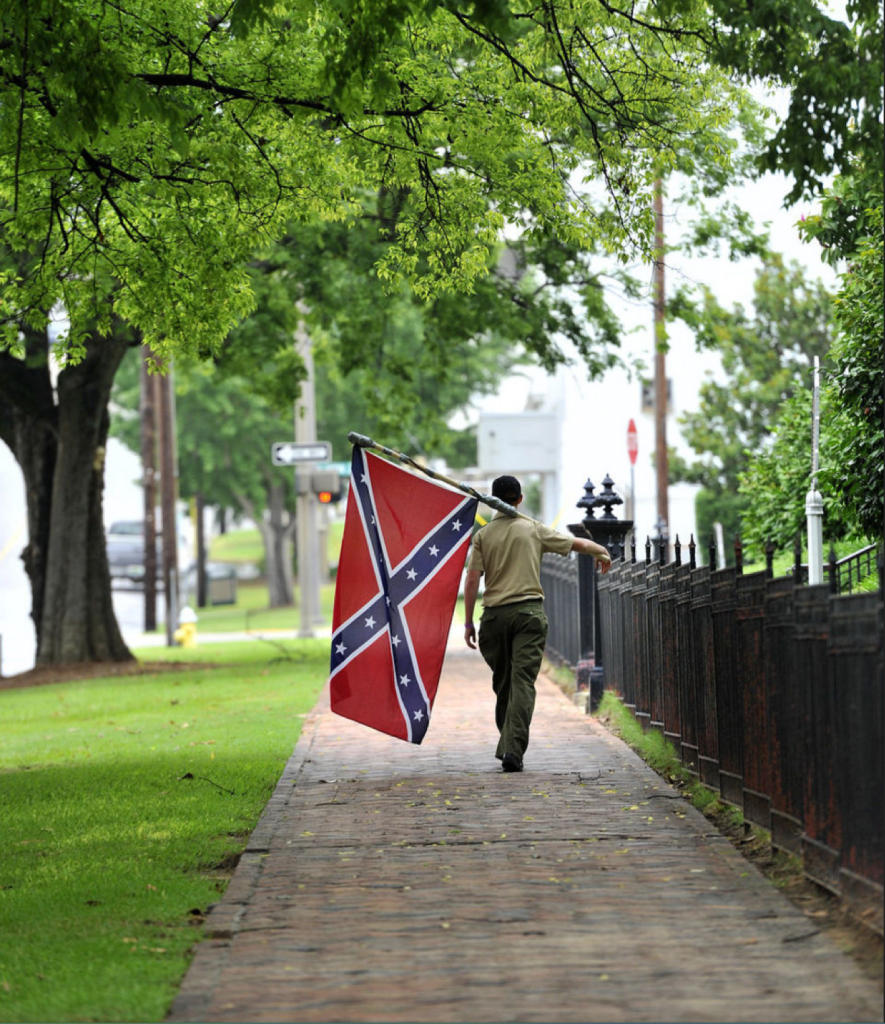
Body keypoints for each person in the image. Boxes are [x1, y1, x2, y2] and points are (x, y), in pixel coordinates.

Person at [463, 474, 612, 773]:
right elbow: (575, 543)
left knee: (505, 684)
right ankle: (512, 748)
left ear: (493, 501)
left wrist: (468, 622)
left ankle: (510, 746)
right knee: (520, 684)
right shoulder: (533, 529)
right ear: (519, 499)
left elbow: (472, 579)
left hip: (494, 618)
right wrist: (601, 550)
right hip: (528, 616)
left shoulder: (483, 536)